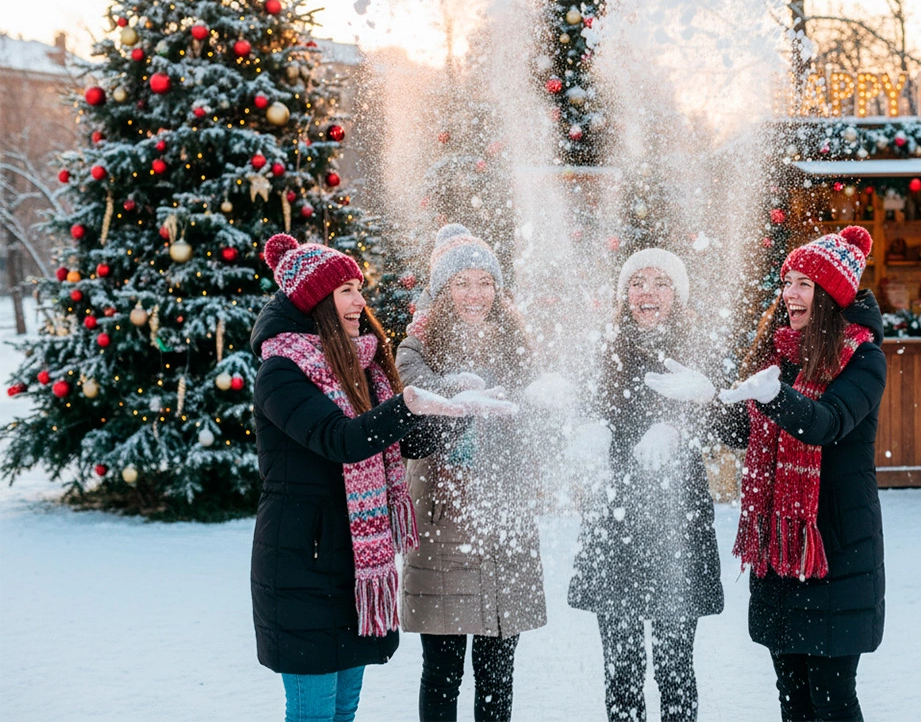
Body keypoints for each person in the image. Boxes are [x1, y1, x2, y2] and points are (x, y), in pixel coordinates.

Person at [647, 226, 886, 722]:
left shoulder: (863, 358)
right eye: (787, 281)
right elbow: (746, 426)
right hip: (781, 552)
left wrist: (774, 395)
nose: (789, 294)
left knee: (833, 697)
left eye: (803, 284)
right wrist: (707, 398)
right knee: (793, 695)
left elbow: (827, 424)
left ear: (831, 294)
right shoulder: (781, 354)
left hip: (836, 549)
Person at [250, 233, 483, 722]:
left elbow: (403, 444)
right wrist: (409, 403)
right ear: (316, 300)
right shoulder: (281, 372)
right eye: (346, 291)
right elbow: (343, 439)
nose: (361, 300)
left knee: (344, 710)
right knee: (313, 713)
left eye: (359, 288)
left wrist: (460, 409)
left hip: (357, 563)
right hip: (302, 561)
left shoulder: (361, 366)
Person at [396, 224, 547, 722]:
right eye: (462, 283)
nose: (475, 294)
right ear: (442, 291)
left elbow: (537, 413)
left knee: (498, 672)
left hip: (506, 520)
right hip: (444, 525)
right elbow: (416, 405)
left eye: (485, 281)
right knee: (442, 672)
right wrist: (454, 399)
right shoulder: (415, 348)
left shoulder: (518, 345)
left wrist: (549, 404)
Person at [567, 248, 724, 722]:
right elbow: (583, 405)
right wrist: (589, 427)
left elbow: (727, 417)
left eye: (660, 282)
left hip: (678, 523)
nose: (647, 292)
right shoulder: (605, 347)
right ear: (624, 294)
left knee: (676, 666)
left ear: (677, 294)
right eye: (638, 282)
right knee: (622, 669)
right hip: (614, 523)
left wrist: (681, 426)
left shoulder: (701, 346)